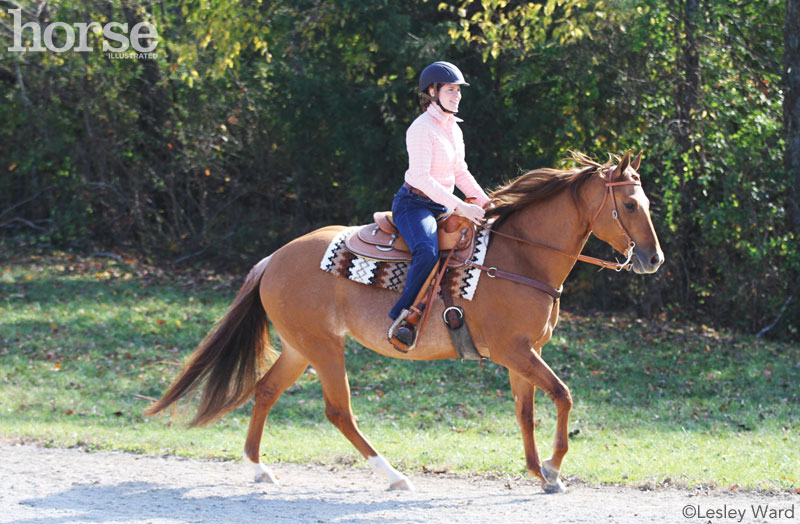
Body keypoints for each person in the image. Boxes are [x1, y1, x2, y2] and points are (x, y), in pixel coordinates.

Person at [388, 61, 490, 347]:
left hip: (441, 205)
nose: (457, 95)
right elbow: (422, 178)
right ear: (432, 91)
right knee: (426, 251)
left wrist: (487, 203)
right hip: (414, 204)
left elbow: (460, 172)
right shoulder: (421, 129)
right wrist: (462, 207)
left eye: (458, 90)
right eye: (450, 90)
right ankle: (401, 316)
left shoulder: (454, 129)